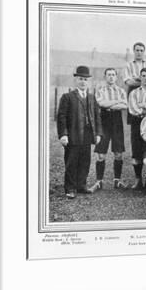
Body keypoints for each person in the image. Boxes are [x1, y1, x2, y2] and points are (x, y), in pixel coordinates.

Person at [56, 65, 103, 198]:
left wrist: (98, 133)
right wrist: (63, 134)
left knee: (85, 161)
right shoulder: (67, 97)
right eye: (80, 79)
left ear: (89, 81)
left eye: (85, 79)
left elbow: (97, 116)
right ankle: (70, 188)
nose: (83, 82)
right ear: (76, 80)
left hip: (88, 135)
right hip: (73, 134)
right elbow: (61, 117)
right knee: (71, 161)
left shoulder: (91, 97)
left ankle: (81, 185)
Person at [93, 68, 128, 190]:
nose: (111, 77)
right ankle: (99, 181)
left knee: (118, 153)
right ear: (105, 76)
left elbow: (125, 105)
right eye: (109, 75)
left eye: (113, 75)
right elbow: (101, 104)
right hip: (104, 120)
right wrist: (117, 102)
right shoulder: (100, 90)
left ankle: (117, 181)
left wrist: (110, 103)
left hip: (117, 121)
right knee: (101, 154)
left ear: (116, 77)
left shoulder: (121, 90)